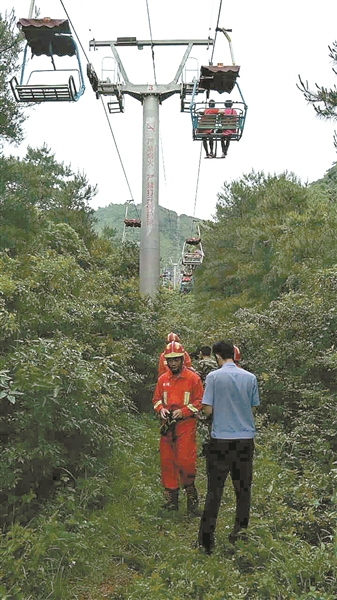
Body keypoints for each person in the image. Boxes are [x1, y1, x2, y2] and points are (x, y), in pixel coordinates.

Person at [198, 340, 260, 554]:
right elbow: (252, 408)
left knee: (214, 490)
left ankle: (206, 542)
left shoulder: (214, 377)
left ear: (217, 356)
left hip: (220, 441)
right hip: (245, 441)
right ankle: (239, 535)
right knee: (243, 490)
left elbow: (207, 409)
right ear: (233, 355)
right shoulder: (251, 378)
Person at [152, 341, 204, 514]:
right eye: (170, 360)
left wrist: (183, 412)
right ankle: (171, 500)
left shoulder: (193, 378)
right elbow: (156, 399)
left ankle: (191, 496)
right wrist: (161, 409)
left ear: (182, 359)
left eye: (176, 359)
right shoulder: (162, 379)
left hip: (185, 426)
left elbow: (200, 401)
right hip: (167, 427)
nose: (173, 363)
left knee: (186, 461)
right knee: (167, 462)